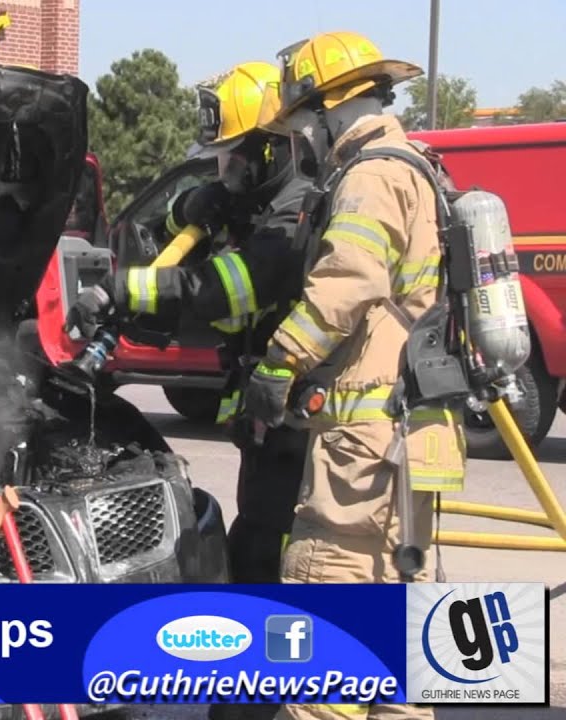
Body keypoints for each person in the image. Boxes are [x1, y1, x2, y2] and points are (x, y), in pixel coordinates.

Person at [240, 31, 467, 720]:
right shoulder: (420, 165)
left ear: (328, 109)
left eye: (300, 122)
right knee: (397, 642)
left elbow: (349, 282)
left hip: (364, 446)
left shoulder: (368, 175)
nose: (298, 140)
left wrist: (279, 362)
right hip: (417, 435)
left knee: (326, 630)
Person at [68, 61, 314, 582]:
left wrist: (121, 288)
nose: (222, 171)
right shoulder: (259, 203)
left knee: (272, 552)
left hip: (301, 423)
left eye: (230, 159)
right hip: (266, 417)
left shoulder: (295, 217)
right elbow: (173, 223)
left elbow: (218, 290)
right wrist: (195, 202)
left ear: (267, 150)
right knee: (254, 534)